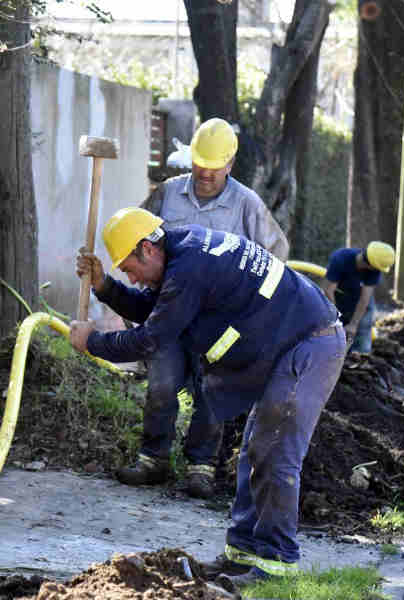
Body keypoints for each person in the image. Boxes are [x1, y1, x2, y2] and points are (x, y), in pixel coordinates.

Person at [69, 207, 345, 590]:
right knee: (254, 452)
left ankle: (276, 566)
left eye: (128, 269)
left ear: (148, 249)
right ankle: (243, 554)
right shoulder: (186, 252)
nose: (130, 277)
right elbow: (162, 309)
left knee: (276, 453)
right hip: (289, 342)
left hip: (308, 344)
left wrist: (93, 342)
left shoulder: (190, 268)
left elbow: (152, 337)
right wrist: (105, 288)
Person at [119, 117, 288, 499]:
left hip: (218, 321)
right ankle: (153, 459)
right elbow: (137, 241)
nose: (205, 174)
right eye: (199, 164)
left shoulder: (246, 204)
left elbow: (276, 254)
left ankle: (201, 467)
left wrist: (252, 308)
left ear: (230, 163)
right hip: (172, 314)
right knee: (161, 384)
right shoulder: (167, 195)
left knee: (211, 391)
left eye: (214, 168)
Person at [319, 242, 395, 354]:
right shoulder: (341, 258)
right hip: (336, 297)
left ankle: (361, 356)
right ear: (371, 264)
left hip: (360, 300)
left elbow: (365, 298)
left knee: (363, 326)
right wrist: (336, 320)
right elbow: (328, 290)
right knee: (329, 329)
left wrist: (354, 324)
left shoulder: (375, 270)